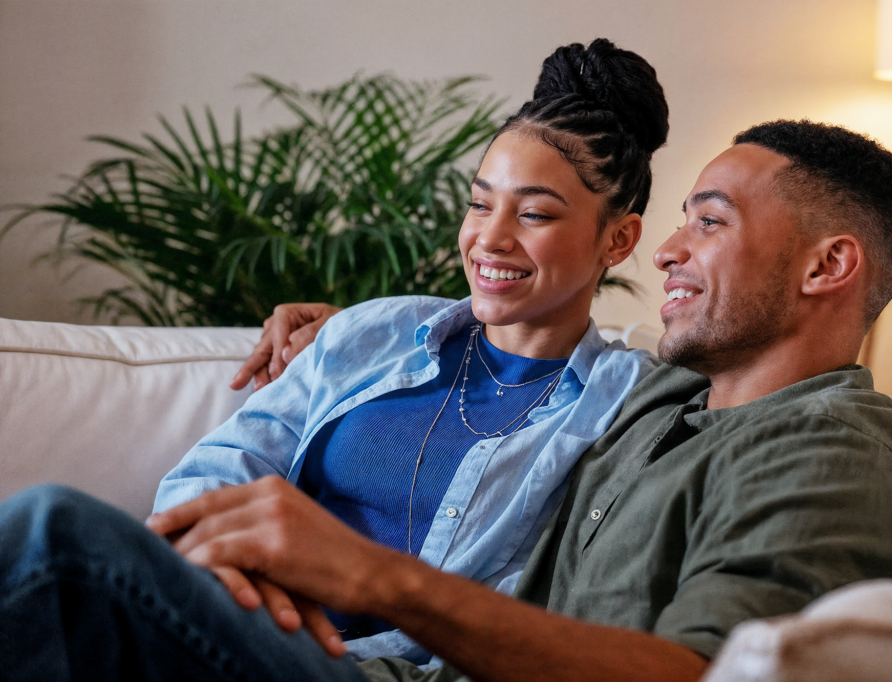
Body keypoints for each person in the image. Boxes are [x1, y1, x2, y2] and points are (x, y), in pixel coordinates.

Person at [0, 118, 892, 682]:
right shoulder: (675, 401)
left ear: (830, 264)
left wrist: (375, 577)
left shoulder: (829, 446)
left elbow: (702, 673)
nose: (669, 252)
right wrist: (356, 333)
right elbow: (530, 341)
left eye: (710, 222)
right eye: (682, 217)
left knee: (58, 541)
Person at [148, 38, 667, 664]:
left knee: (54, 524)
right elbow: (221, 466)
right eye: (479, 204)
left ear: (618, 239)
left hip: (380, 671)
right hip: (237, 623)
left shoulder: (627, 403)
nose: (489, 239)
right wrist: (233, 583)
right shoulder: (378, 334)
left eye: (533, 214)